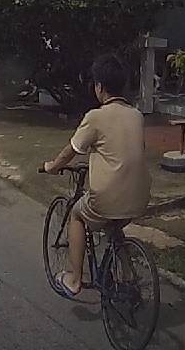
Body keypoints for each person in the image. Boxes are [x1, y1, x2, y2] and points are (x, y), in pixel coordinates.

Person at [42, 54, 151, 299]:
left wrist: (53, 166)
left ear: (99, 87)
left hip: (107, 198)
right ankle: (129, 278)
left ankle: (74, 279)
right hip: (140, 197)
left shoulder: (95, 117)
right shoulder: (137, 115)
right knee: (114, 228)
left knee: (77, 215)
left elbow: (71, 150)